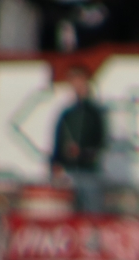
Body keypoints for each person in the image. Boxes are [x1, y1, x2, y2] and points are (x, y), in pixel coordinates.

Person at [51, 65, 109, 215]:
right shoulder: (68, 114)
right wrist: (56, 161)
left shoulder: (95, 113)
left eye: (80, 82)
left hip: (88, 172)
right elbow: (59, 139)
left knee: (92, 211)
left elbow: (100, 141)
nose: (77, 86)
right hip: (69, 171)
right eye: (74, 83)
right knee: (71, 212)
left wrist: (83, 151)